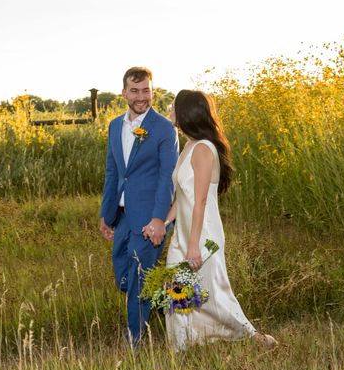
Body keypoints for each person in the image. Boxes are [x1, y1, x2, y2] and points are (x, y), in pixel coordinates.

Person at [160, 89, 277, 351]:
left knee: (213, 294)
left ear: (186, 113)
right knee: (177, 288)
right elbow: (183, 198)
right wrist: (162, 223)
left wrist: (193, 246)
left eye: (173, 106)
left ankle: (254, 338)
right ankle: (182, 346)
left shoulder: (203, 149)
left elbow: (199, 201)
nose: (170, 110)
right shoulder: (189, 146)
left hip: (202, 234)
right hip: (184, 232)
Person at [100, 67, 179, 346]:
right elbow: (113, 172)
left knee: (136, 276)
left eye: (146, 90)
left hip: (149, 217)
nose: (141, 96)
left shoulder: (164, 129)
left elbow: (167, 177)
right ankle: (163, 303)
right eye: (134, 90)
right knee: (123, 273)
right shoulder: (113, 126)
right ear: (124, 93)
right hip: (122, 216)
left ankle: (135, 339)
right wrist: (106, 214)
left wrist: (159, 219)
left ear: (152, 90)